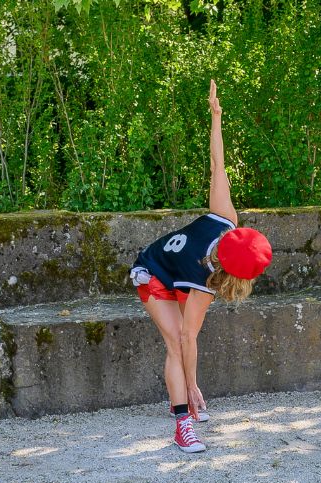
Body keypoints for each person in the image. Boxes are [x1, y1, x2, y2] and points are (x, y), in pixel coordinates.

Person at [129, 81, 273, 454]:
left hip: (178, 271)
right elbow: (188, 339)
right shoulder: (206, 279)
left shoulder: (226, 222)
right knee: (177, 343)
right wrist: (193, 385)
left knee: (182, 343)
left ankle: (186, 393)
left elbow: (217, 165)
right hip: (153, 272)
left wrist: (216, 117)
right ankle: (183, 420)